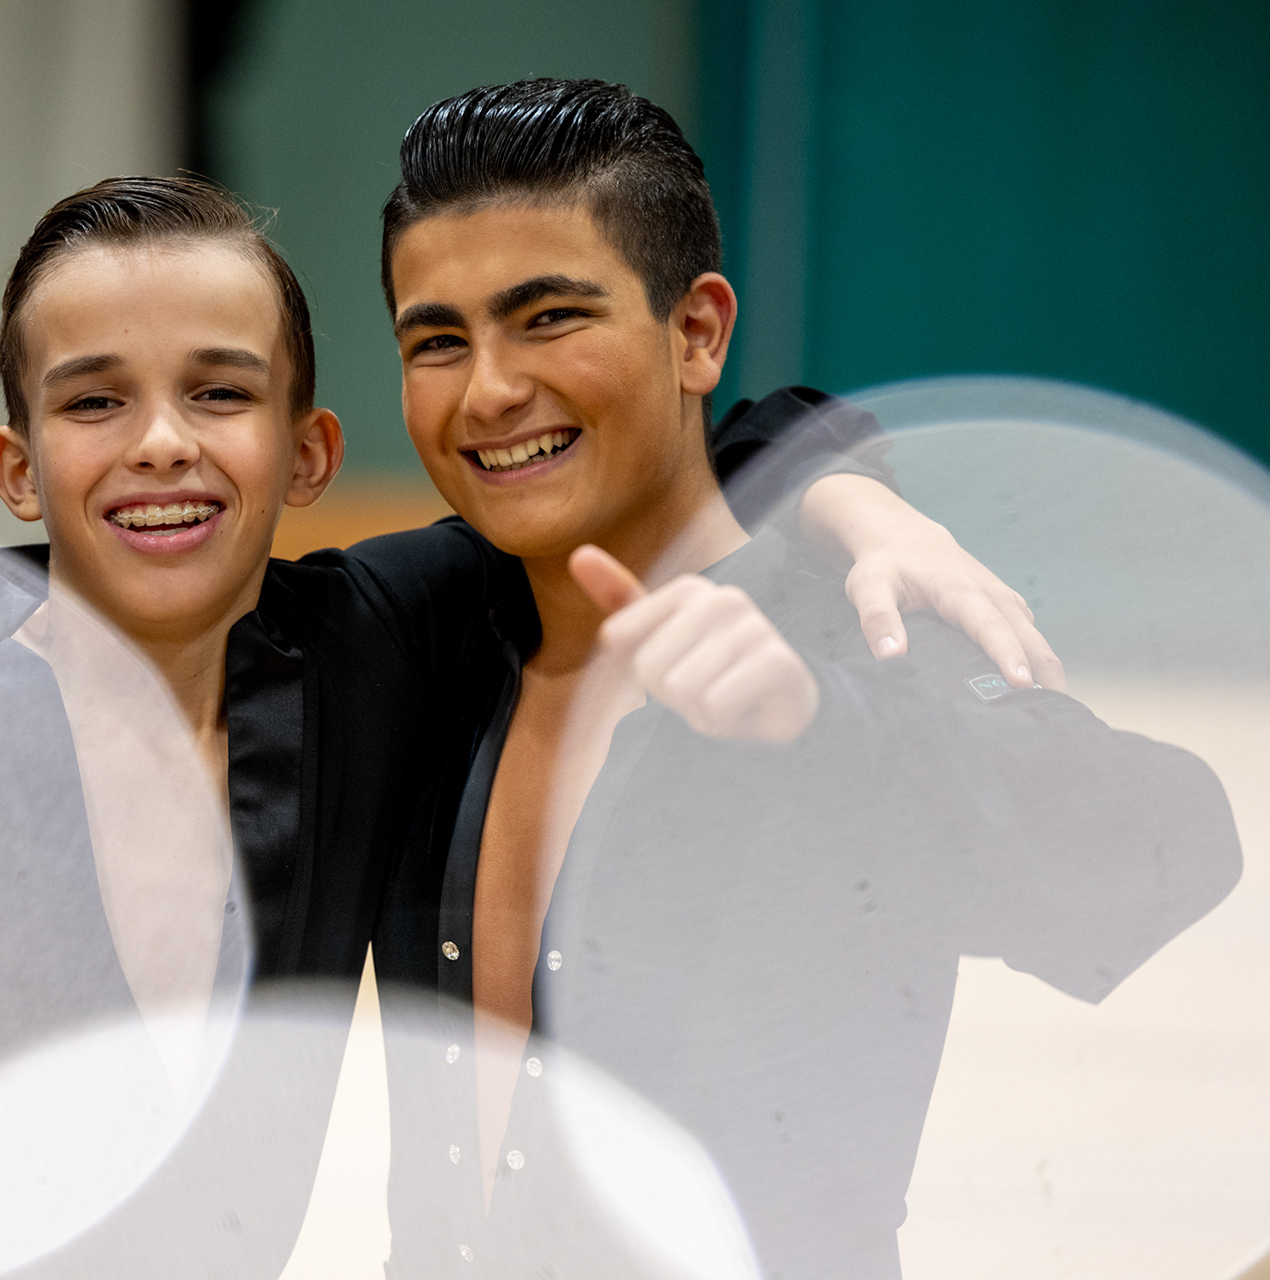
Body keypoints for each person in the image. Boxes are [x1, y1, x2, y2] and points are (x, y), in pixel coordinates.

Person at [0, 170, 1056, 1270]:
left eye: (218, 393)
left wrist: (844, 494)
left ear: (307, 456)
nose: (162, 440)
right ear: (19, 468)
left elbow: (640, 462)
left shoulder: (377, 648)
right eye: (96, 400)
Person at [358, 79, 1242, 1278]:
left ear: (697, 332)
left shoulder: (857, 625)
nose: (489, 389)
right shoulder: (421, 635)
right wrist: (832, 476)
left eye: (550, 318)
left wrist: (813, 727)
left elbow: (1171, 846)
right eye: (437, 341)